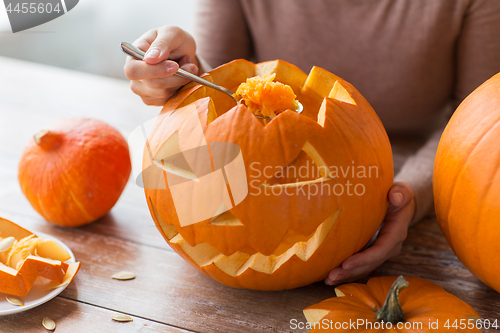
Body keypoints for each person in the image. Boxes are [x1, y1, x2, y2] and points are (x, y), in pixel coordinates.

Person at [124, 0, 500, 286]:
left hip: (413, 184)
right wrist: (179, 73)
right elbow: (219, 93)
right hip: (250, 162)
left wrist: (409, 197)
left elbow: (477, 123)